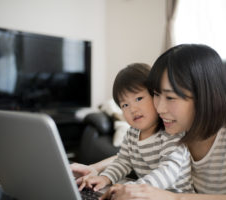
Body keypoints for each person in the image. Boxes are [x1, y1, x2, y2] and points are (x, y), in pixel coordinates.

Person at [73, 44, 226, 200]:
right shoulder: (174, 131)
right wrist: (95, 169)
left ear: (205, 96)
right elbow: (130, 154)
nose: (159, 107)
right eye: (156, 95)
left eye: (170, 97)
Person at [77, 63, 194, 193]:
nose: (132, 109)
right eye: (125, 105)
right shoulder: (132, 134)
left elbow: (168, 171)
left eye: (138, 98)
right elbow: (123, 162)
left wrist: (135, 188)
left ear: (156, 96)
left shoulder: (171, 132)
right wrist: (105, 178)